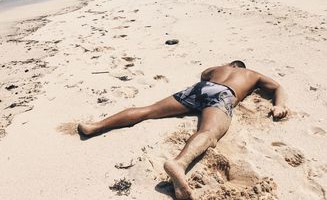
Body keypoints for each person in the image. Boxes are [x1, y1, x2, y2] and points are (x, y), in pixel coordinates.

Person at [78, 60, 288, 200]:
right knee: (209, 132)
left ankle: (94, 126)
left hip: (200, 89)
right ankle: (179, 163)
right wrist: (279, 105)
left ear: (230, 64)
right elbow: (277, 87)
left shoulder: (219, 69)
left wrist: (219, 71)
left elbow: (204, 74)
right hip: (224, 93)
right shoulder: (252, 73)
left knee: (149, 110)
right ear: (241, 66)